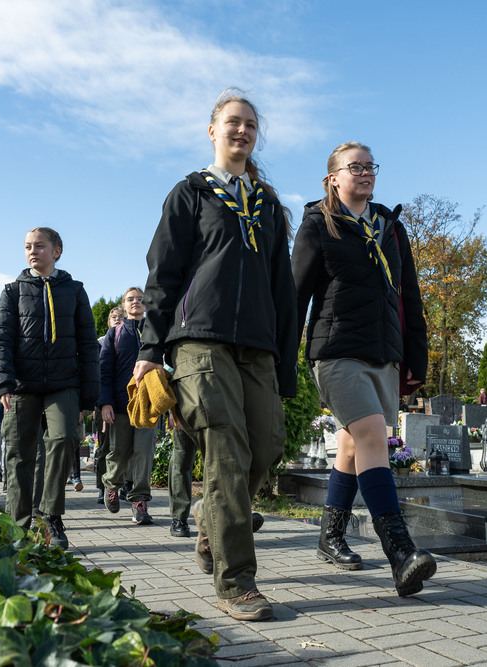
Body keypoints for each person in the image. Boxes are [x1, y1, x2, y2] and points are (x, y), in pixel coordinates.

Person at [133, 90, 298, 621]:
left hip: (258, 345)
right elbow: (162, 276)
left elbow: (283, 289)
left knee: (267, 444)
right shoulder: (190, 193)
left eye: (250, 124)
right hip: (198, 340)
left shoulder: (267, 204)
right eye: (233, 122)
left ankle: (211, 519)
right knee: (226, 451)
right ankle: (237, 582)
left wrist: (286, 365)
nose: (242, 130)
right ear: (212, 130)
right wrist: (149, 350)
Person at [291, 142, 436, 596]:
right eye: (354, 166)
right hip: (335, 352)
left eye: (370, 165)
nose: (365, 172)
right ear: (332, 178)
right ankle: (400, 552)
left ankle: (330, 536)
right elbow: (295, 296)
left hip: (383, 353)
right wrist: (280, 360)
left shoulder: (391, 228)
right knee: (373, 434)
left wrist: (415, 359)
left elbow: (409, 295)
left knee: (353, 444)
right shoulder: (318, 224)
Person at [0, 227, 99, 550]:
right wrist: (3, 384)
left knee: (65, 439)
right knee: (19, 454)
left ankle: (50, 514)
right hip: (22, 386)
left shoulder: (75, 291)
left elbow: (88, 345)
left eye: (39, 246)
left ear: (57, 251)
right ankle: (19, 527)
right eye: (27, 247)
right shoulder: (12, 291)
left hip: (64, 384)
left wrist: (89, 395)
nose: (32, 252)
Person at [100, 287, 158, 525]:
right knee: (120, 453)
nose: (136, 302)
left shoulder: (155, 332)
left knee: (144, 453)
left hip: (148, 405)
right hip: (121, 404)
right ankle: (111, 485)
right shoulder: (114, 334)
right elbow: (104, 371)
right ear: (123, 305)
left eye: (140, 299)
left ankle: (139, 502)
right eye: (130, 299)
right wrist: (105, 403)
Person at [94, 307, 123, 504]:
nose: (117, 319)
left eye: (120, 317)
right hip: (103, 399)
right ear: (108, 322)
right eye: (113, 317)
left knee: (123, 446)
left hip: (123, 400)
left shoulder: (131, 340)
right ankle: (101, 487)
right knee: (104, 446)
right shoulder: (99, 344)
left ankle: (122, 485)